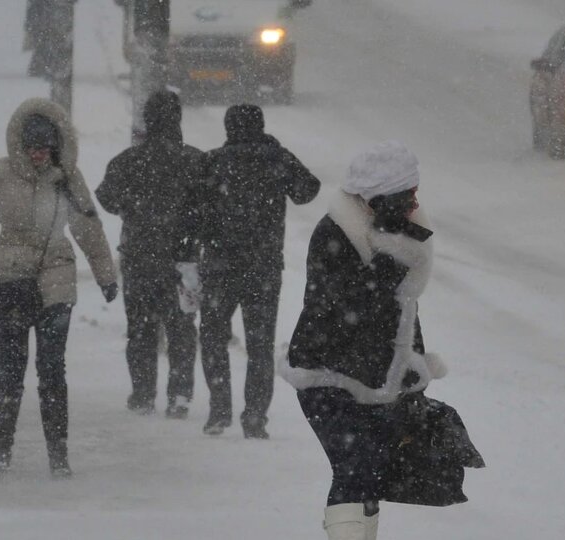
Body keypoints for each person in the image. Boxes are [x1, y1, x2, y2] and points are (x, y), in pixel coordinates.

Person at [279, 142, 482, 540]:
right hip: (328, 378)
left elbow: (403, 313)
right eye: (408, 195)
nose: (415, 202)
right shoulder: (338, 235)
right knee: (354, 469)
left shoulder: (394, 233)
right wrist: (392, 261)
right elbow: (345, 310)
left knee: (368, 473)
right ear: (378, 198)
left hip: (375, 380)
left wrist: (414, 370)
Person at [0, 98, 119, 477]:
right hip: (11, 279)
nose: (38, 156)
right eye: (32, 148)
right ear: (21, 146)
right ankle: (2, 449)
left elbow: (88, 227)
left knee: (52, 370)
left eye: (44, 148)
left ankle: (58, 455)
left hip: (56, 281)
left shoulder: (68, 179)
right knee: (11, 369)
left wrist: (105, 274)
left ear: (55, 146)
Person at [194, 104, 320, 438]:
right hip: (262, 269)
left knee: (212, 338)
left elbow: (192, 211)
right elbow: (309, 190)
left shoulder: (214, 162)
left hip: (219, 267)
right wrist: (275, 153)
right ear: (261, 127)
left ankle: (219, 410)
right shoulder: (275, 159)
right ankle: (254, 418)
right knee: (260, 346)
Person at [96, 91, 202, 418]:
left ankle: (143, 393)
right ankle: (180, 395)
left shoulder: (127, 161)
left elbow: (107, 198)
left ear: (147, 120)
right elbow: (212, 208)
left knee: (141, 329)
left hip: (140, 257)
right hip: (184, 260)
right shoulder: (196, 161)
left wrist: (136, 210)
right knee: (181, 328)